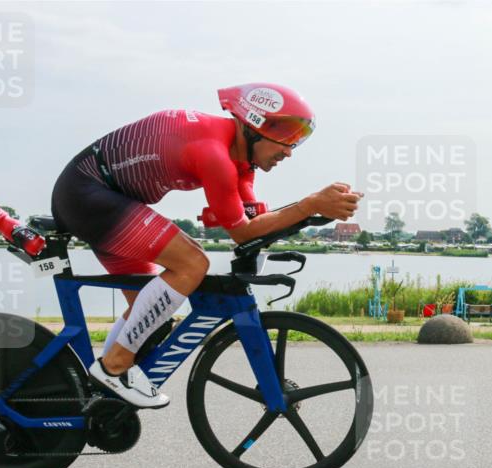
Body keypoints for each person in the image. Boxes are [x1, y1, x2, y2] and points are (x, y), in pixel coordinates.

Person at [50, 83, 360, 408]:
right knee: (193, 263)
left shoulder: (239, 161)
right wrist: (310, 205)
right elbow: (243, 233)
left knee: (148, 313)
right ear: (253, 127)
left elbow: (254, 221)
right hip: (87, 194)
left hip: (102, 198)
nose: (289, 150)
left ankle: (94, 398)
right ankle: (113, 367)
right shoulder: (213, 154)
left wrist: (310, 210)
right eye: (284, 135)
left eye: (297, 140)